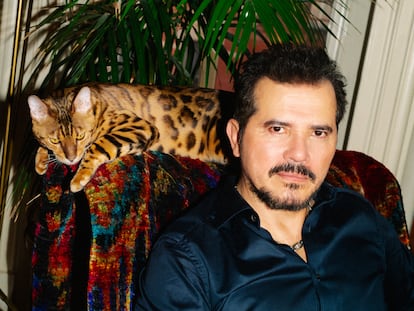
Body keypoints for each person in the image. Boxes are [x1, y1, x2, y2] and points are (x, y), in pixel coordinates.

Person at [136, 43, 414, 310]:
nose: (299, 154)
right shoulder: (187, 260)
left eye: (318, 133)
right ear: (236, 138)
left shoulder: (360, 217)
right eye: (278, 129)